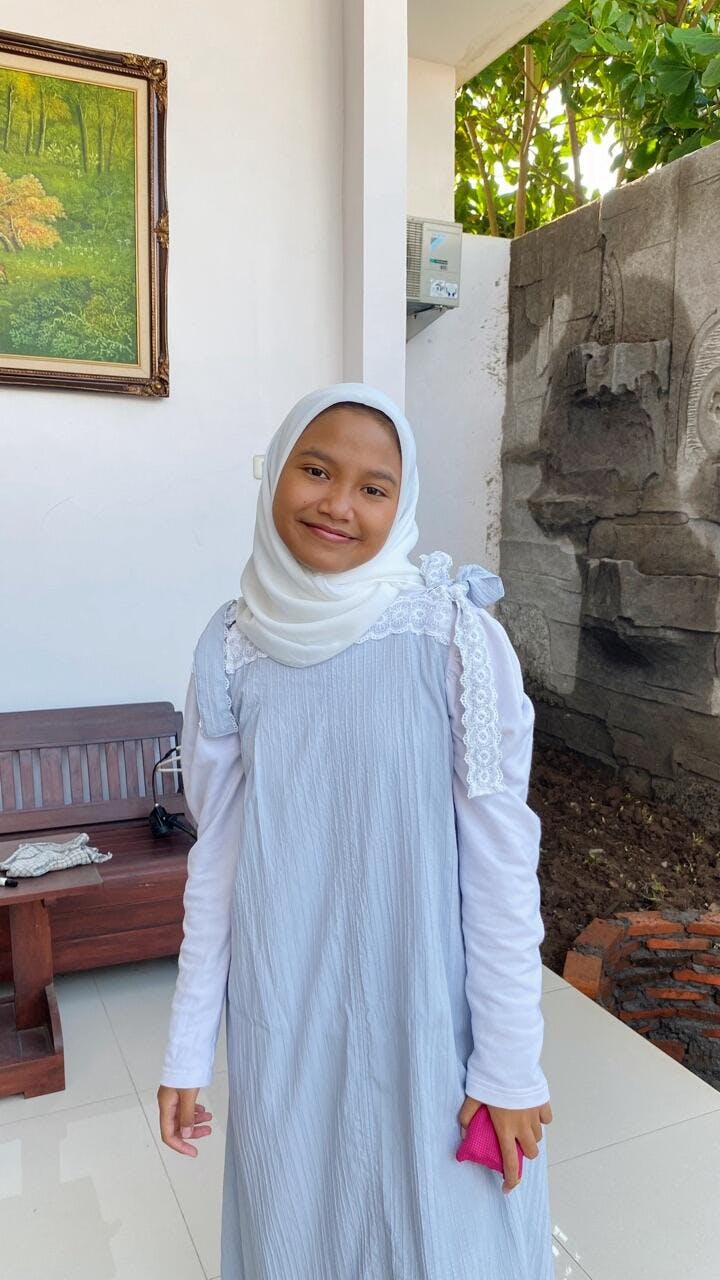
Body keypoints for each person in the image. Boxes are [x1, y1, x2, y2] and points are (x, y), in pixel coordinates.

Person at [157, 382, 555, 1280]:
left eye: (374, 488)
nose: (339, 504)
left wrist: (509, 1064)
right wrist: (188, 1046)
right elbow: (218, 859)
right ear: (274, 474)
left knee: (447, 1235)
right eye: (316, 470)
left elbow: (502, 866)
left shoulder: (453, 638)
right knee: (301, 1218)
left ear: (402, 504)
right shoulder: (232, 648)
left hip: (430, 1011)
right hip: (287, 1008)